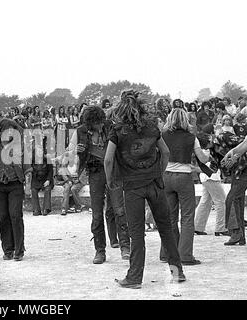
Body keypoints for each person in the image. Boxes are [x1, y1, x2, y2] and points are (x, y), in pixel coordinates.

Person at [104, 89, 185, 289]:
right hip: (155, 183)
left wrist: (111, 181)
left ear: (120, 108)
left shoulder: (117, 130)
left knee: (137, 234)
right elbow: (165, 152)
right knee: (166, 229)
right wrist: (158, 172)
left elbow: (107, 160)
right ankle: (177, 272)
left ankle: (134, 277)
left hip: (132, 186)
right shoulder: (151, 127)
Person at [77, 105, 130, 263]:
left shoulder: (111, 127)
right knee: (97, 214)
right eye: (95, 124)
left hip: (114, 170)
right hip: (95, 172)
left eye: (100, 122)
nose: (99, 126)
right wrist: (78, 151)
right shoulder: (81, 131)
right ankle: (100, 251)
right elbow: (76, 153)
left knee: (120, 210)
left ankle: (125, 246)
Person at [161, 108, 209, 265]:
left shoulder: (163, 135)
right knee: (187, 217)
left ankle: (167, 253)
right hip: (184, 176)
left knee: (169, 217)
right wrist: (208, 154)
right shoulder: (191, 137)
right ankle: (185, 256)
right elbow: (201, 157)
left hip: (166, 176)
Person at [0, 118, 29, 261]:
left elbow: (27, 168)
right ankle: (8, 249)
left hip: (15, 185)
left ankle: (19, 250)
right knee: (3, 217)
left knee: (15, 215)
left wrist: (29, 186)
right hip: (0, 185)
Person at [194, 133, 229, 236]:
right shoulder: (210, 148)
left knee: (205, 202)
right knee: (221, 201)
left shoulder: (202, 147)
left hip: (206, 177)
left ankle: (198, 226)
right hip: (211, 177)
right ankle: (221, 228)